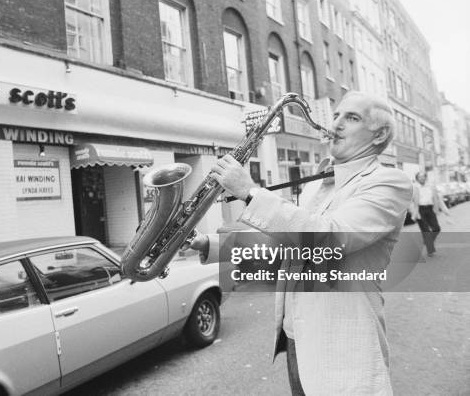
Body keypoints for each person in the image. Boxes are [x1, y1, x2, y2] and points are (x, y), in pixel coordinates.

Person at [189, 91, 413, 395]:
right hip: (297, 341)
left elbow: (330, 237)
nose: (336, 124)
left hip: (341, 342)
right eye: (336, 115)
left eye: (352, 117)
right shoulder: (319, 184)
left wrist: (250, 192)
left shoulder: (388, 182)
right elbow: (287, 248)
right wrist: (207, 245)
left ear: (380, 134)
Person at [410, 171, 449, 257]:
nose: (422, 178)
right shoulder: (414, 188)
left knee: (436, 228)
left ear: (425, 177)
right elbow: (410, 202)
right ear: (417, 178)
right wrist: (414, 212)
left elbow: (438, 198)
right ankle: (430, 250)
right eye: (420, 177)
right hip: (420, 210)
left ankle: (428, 241)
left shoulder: (431, 187)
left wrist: (444, 210)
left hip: (430, 209)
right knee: (426, 230)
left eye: (423, 176)